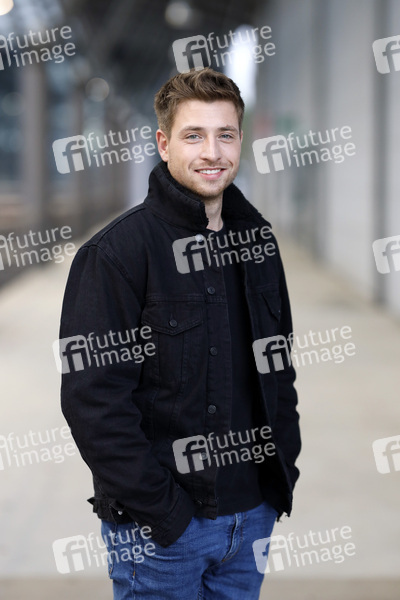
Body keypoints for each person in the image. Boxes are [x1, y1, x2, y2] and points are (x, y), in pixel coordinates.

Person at [59, 67, 301, 600]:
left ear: (241, 141)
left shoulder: (258, 242)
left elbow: (278, 365)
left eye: (225, 134)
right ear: (164, 144)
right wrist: (164, 513)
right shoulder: (117, 254)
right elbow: (92, 401)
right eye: (194, 135)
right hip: (161, 534)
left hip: (251, 519)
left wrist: (282, 471)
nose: (212, 152)